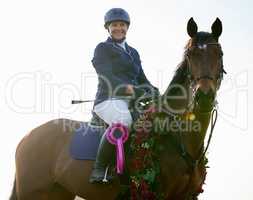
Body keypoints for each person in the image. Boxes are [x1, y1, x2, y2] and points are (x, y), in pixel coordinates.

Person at [89, 8, 159, 184]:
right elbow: (108, 77)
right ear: (108, 28)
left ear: (127, 27)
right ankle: (99, 168)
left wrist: (153, 90)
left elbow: (142, 78)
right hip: (108, 100)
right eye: (114, 25)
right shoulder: (102, 48)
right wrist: (132, 90)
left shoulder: (133, 52)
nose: (118, 28)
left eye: (122, 25)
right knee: (124, 122)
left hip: (133, 102)